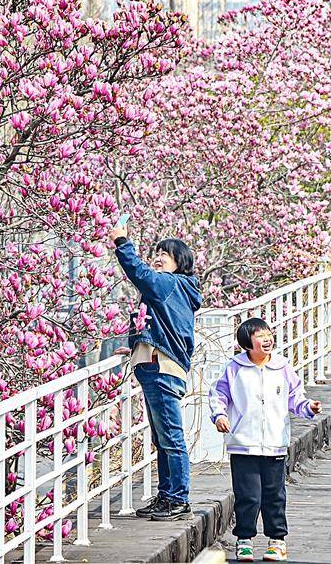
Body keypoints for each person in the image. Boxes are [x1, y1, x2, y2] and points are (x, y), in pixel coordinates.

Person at [209, 317, 322, 562]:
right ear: (246, 343)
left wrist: (308, 407)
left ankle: (277, 540)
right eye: (260, 336)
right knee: (248, 495)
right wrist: (219, 416)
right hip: (243, 444)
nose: (267, 339)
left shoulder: (282, 367)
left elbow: (295, 398)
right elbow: (219, 395)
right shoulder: (234, 368)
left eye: (268, 334)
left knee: (274, 495)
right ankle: (245, 540)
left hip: (275, 443)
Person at [111, 219, 201, 522]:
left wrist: (122, 242)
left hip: (162, 369)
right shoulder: (175, 289)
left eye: (166, 253)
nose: (159, 257)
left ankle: (178, 499)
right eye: (158, 252)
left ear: (180, 261)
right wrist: (137, 345)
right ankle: (167, 496)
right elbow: (162, 327)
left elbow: (140, 273)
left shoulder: (169, 283)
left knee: (171, 438)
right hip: (155, 365)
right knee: (162, 438)